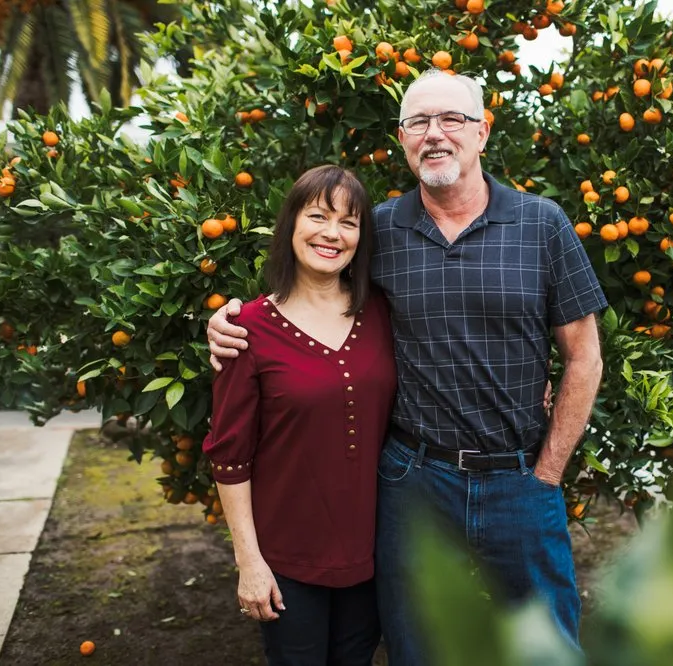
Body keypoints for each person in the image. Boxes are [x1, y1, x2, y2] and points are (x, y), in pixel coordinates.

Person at [207, 70, 606, 664]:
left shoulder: (541, 224)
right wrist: (232, 319)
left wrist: (548, 471)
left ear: (482, 133)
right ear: (402, 138)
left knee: (545, 644)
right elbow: (315, 283)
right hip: (413, 482)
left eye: (452, 119)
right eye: (418, 122)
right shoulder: (382, 230)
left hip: (520, 479)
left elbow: (584, 357)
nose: (435, 133)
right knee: (416, 645)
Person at [202, 164, 396, 666]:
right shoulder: (244, 328)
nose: (332, 233)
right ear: (290, 225)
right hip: (287, 557)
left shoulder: (382, 313)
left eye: (349, 222)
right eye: (318, 216)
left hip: (374, 551)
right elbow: (229, 455)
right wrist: (249, 562)